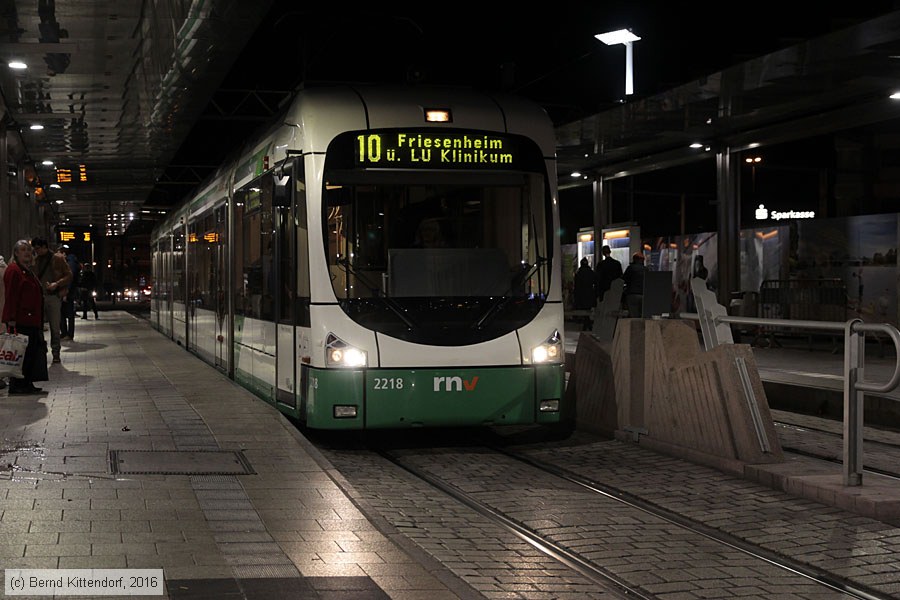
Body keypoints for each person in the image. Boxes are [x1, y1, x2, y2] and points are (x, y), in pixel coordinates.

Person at [2, 240, 48, 394]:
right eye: (23, 250)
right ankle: (18, 385)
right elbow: (11, 295)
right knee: (21, 353)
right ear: (16, 253)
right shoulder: (14, 270)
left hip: (31, 319)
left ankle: (26, 382)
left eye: (28, 250)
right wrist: (11, 318)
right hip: (21, 319)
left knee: (30, 352)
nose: (27, 252)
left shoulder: (27, 270)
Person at [31, 237, 72, 364]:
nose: (36, 251)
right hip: (39, 296)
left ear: (44, 247)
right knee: (38, 326)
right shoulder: (35, 261)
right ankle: (42, 352)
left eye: (37, 248)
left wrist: (57, 284)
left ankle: (56, 353)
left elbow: (69, 275)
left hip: (53, 296)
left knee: (55, 327)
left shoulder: (57, 259)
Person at [59, 245, 81, 340]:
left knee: (67, 313)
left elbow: (70, 278)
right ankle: (66, 333)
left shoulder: (70, 262)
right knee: (66, 313)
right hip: (69, 291)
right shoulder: (71, 261)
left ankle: (67, 334)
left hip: (68, 292)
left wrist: (66, 292)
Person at [622, 252, 646, 318]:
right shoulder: (646, 269)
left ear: (634, 259)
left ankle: (634, 327)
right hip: (643, 294)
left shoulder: (630, 268)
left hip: (631, 294)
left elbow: (624, 279)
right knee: (642, 314)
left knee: (633, 315)